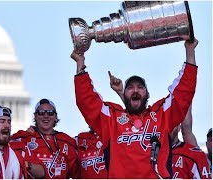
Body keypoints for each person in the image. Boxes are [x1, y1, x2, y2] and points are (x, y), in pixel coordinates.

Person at [70, 38, 198, 178]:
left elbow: (184, 91)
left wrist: (190, 50)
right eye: (130, 87)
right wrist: (80, 63)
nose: (135, 90)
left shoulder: (162, 115)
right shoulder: (112, 119)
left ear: (147, 94)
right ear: (124, 94)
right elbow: (87, 101)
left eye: (140, 87)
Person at [11, 98, 80, 178]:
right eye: (41, 113)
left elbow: (79, 173)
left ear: (55, 117)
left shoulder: (67, 141)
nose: (46, 116)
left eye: (50, 113)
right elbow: (3, 143)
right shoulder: (24, 138)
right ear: (35, 116)